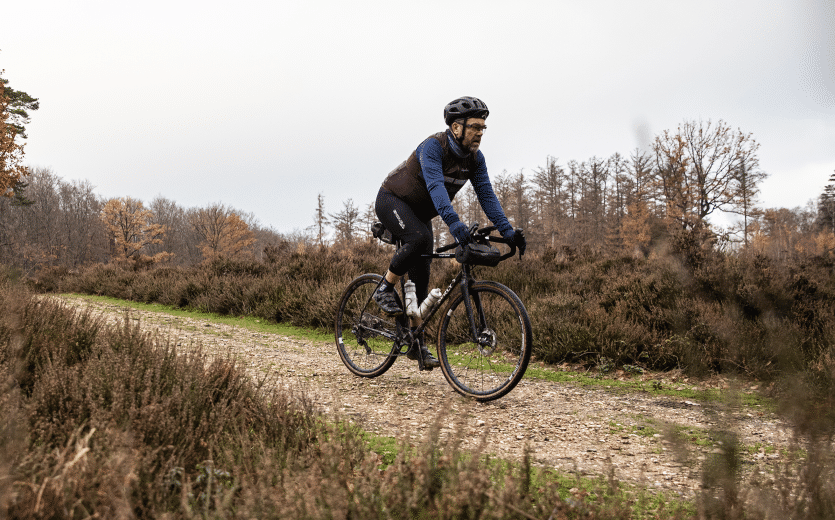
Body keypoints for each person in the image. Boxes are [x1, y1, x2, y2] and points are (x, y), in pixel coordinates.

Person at [373, 96, 527, 369]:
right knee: (418, 239)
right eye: (475, 127)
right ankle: (384, 287)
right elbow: (437, 190)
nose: (480, 132)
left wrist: (508, 231)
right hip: (392, 200)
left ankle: (415, 343)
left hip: (419, 215)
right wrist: (455, 225)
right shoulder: (434, 147)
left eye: (483, 128)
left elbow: (488, 198)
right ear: (456, 127)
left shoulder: (475, 161)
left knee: (422, 275)